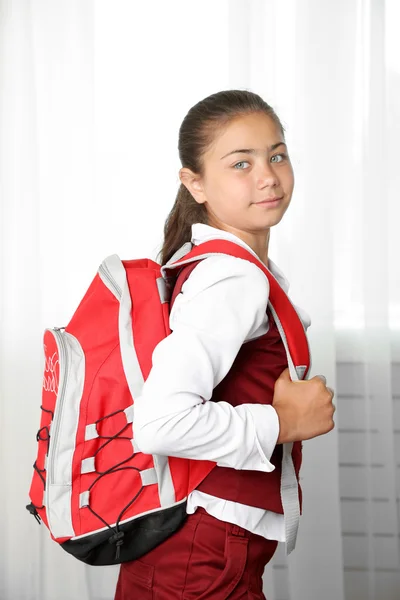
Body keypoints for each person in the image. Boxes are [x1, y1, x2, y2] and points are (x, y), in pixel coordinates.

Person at [114, 89, 335, 600]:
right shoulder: (232, 278)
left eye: (276, 154)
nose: (268, 176)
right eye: (241, 163)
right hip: (201, 550)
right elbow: (160, 423)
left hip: (201, 544)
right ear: (195, 183)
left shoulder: (222, 264)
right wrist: (283, 423)